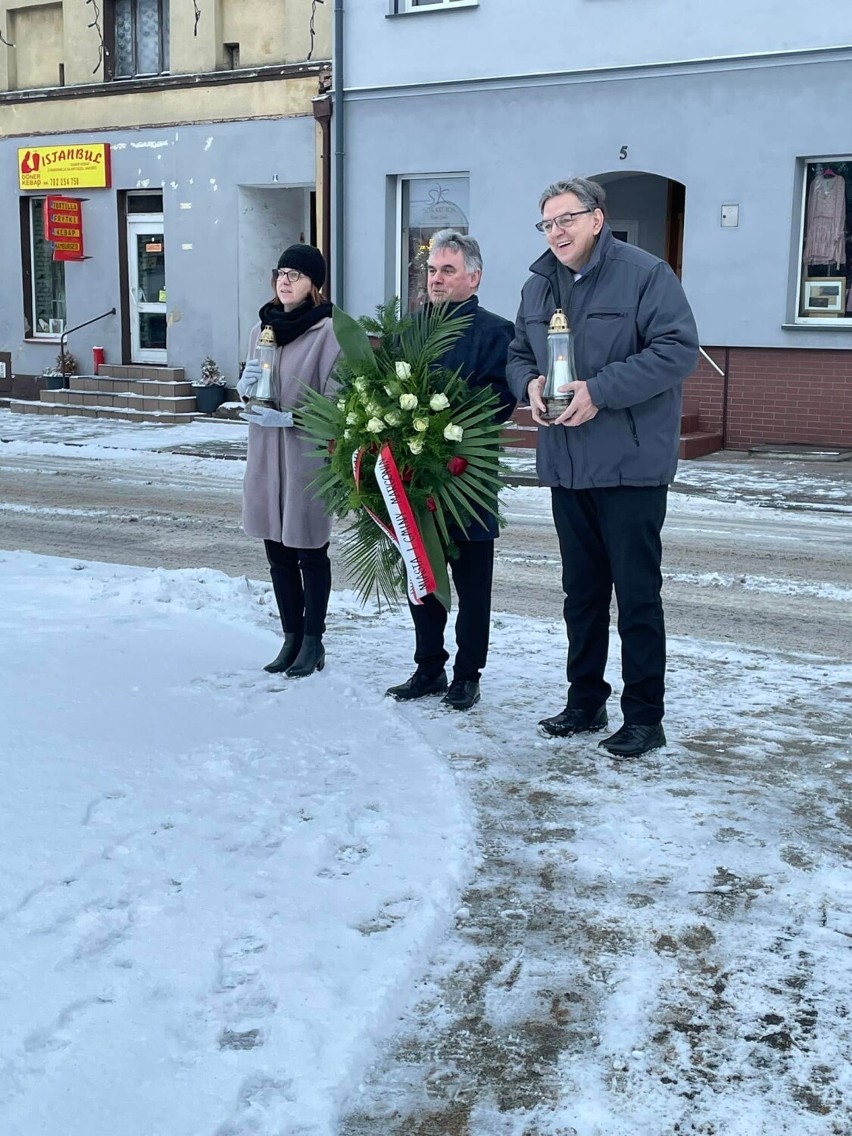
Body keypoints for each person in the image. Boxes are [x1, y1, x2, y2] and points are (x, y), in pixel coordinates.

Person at [506, 178, 699, 758]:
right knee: (581, 594)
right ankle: (585, 701)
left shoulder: (646, 275)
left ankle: (645, 716)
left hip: (630, 466)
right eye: (547, 222)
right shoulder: (539, 285)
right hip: (566, 464)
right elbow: (519, 352)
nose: (556, 231)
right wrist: (531, 383)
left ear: (597, 219)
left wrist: (602, 390)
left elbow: (676, 349)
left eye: (567, 218)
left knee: (637, 596)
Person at [385, 230, 516, 711]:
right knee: (422, 575)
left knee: (471, 582)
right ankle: (428, 667)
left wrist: (446, 424)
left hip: (468, 479)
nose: (436, 279)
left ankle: (467, 674)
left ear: (473, 276)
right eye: (432, 270)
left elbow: (501, 399)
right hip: (414, 478)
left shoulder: (498, 333)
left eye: (448, 270)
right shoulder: (405, 333)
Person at [239, 244, 340, 678]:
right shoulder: (263, 328)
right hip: (265, 454)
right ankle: (291, 637)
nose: (285, 281)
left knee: (309, 551)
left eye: (296, 275)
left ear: (314, 285)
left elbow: (338, 401)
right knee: (276, 552)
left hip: (304, 456)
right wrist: (246, 392)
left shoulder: (327, 333)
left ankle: (313, 641)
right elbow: (250, 379)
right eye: (281, 272)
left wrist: (295, 416)